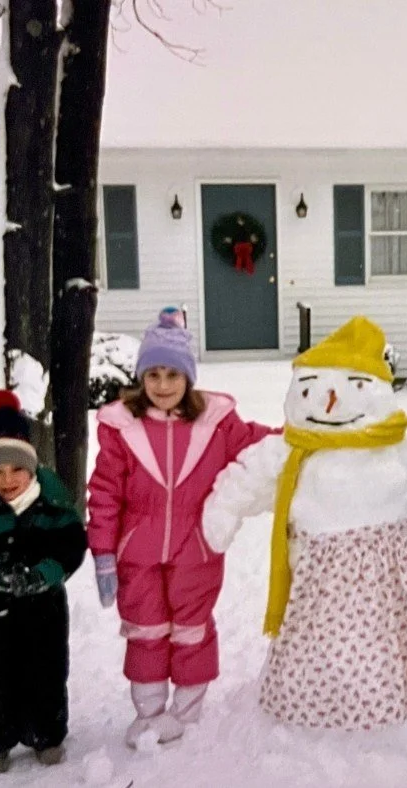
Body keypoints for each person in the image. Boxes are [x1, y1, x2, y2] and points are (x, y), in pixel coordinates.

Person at [202, 316, 407, 731]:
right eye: (309, 390)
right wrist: (224, 510)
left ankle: (406, 714)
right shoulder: (292, 452)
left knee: (401, 640)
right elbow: (247, 479)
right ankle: (321, 707)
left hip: (395, 581)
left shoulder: (397, 447)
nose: (327, 403)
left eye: (353, 387)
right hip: (322, 580)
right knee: (323, 644)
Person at [87, 307, 277, 747]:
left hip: (198, 549)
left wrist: (311, 435)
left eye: (172, 374)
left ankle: (186, 714)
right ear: (141, 379)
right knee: (145, 629)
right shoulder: (122, 429)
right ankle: (149, 714)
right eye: (152, 375)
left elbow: (264, 443)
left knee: (192, 629)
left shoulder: (216, 424)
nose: (163, 385)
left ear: (188, 377)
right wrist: (102, 552)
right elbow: (104, 491)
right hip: (138, 553)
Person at [0, 390, 87, 773]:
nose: (8, 479)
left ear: (32, 467)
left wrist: (44, 574)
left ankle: (46, 734)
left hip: (45, 609)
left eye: (16, 469)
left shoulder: (53, 507)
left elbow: (73, 546)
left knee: (46, 669)